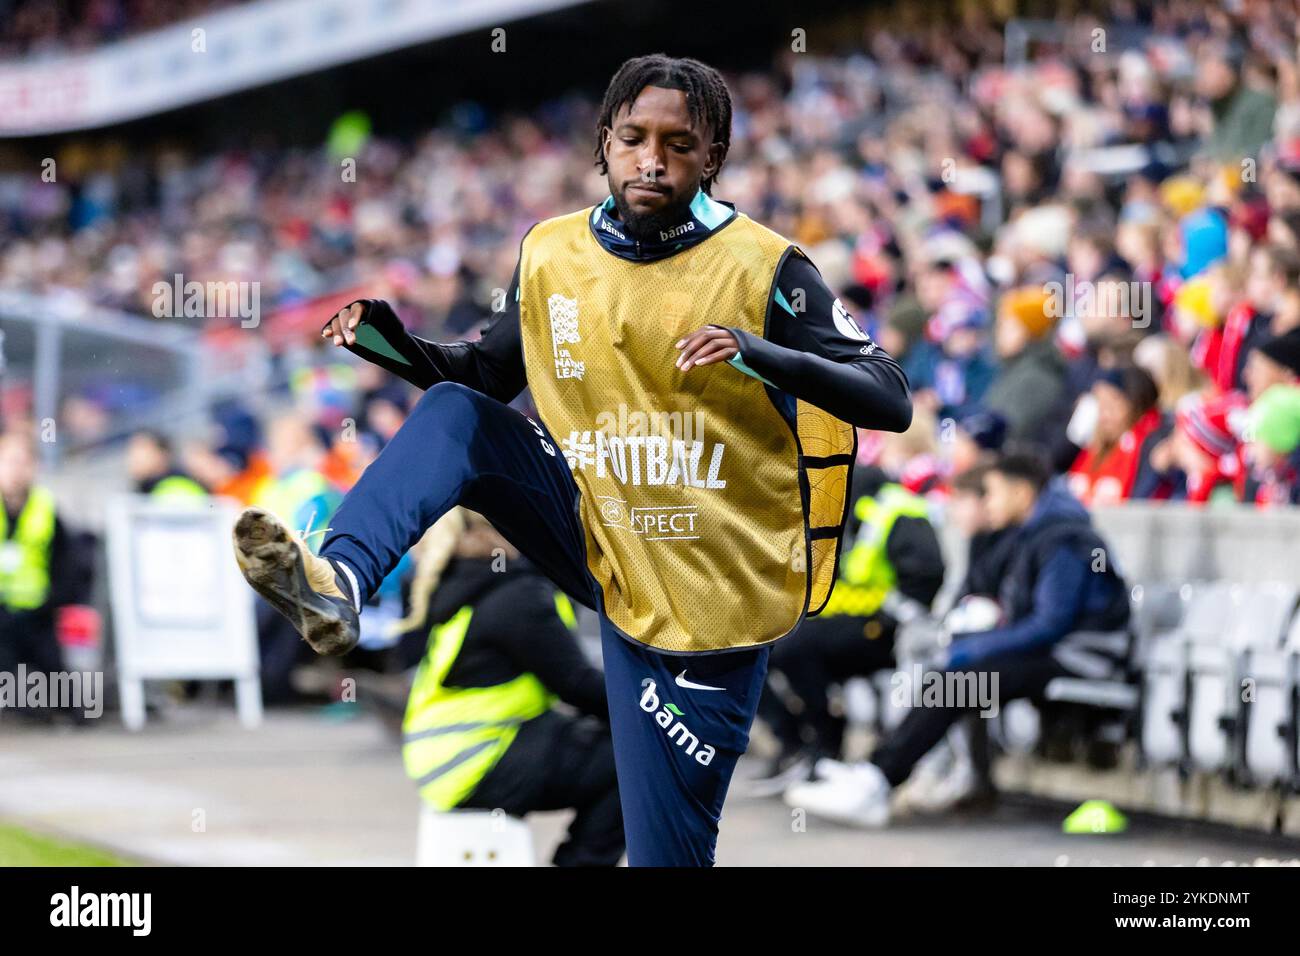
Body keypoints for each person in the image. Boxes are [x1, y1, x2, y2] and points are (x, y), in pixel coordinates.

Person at [232, 54, 912, 866]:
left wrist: (759, 352)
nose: (651, 159)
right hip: (605, 540)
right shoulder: (553, 253)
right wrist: (396, 346)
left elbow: (889, 395)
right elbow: (483, 376)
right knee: (456, 413)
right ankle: (338, 581)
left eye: (678, 144)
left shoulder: (766, 266)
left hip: (718, 592)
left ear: (712, 158)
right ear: (605, 142)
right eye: (632, 139)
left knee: (667, 857)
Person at [786, 450, 1130, 827]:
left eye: (994, 493)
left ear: (1020, 492)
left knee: (958, 682)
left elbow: (1050, 624)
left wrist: (975, 648)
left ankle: (877, 779)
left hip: (1080, 658)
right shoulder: (1037, 532)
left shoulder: (1064, 539)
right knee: (955, 677)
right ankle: (878, 774)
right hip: (1055, 653)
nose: (989, 502)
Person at [402, 509, 623, 866]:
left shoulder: (470, 578)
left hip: (445, 757)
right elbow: (577, 685)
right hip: (472, 762)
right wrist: (651, 717)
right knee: (626, 763)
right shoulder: (516, 596)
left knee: (600, 744)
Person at [753, 466, 944, 789]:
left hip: (886, 631)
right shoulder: (830, 497)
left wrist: (892, 618)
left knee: (794, 649)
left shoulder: (893, 508)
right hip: (841, 624)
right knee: (755, 648)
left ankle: (825, 740)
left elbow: (926, 576)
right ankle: (793, 740)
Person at [0, 433, 84, 698]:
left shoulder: (44, 507)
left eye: (23, 463)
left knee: (63, 692)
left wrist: (53, 600)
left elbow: (66, 562)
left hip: (37, 612)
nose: (17, 470)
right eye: (11, 462)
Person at [125, 429, 208, 500]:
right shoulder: (143, 489)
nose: (134, 457)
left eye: (142, 448)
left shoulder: (178, 488)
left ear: (162, 454)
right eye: (131, 450)